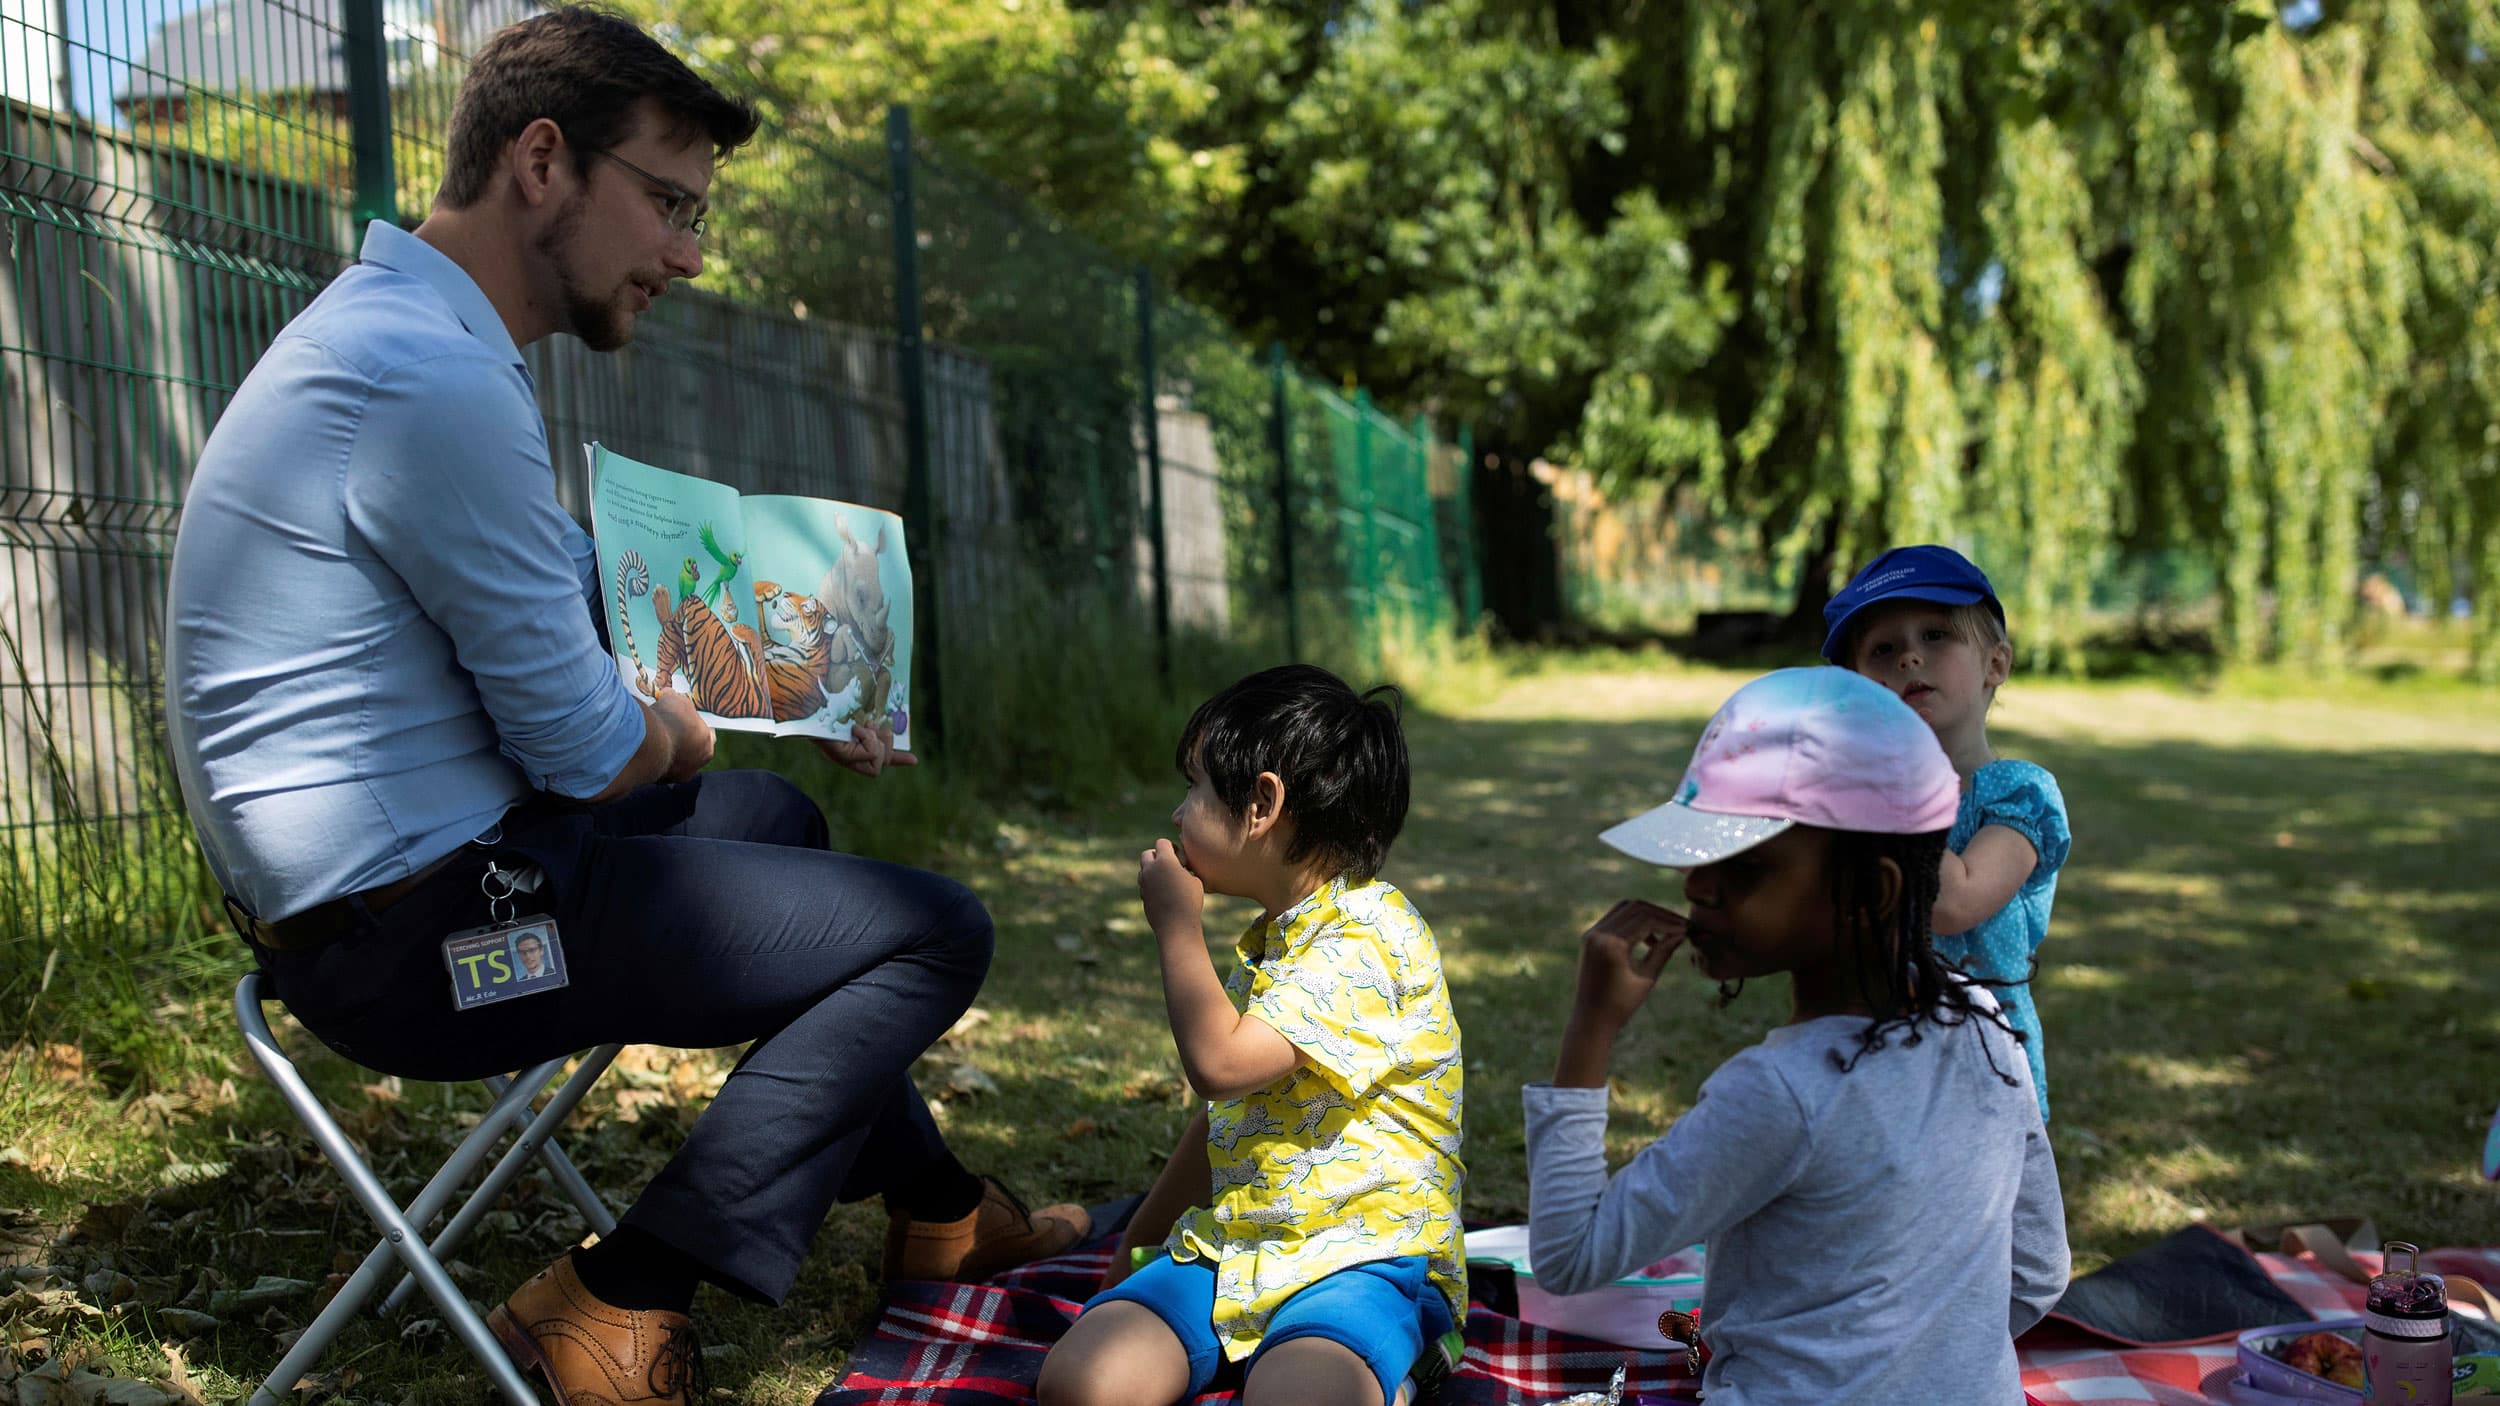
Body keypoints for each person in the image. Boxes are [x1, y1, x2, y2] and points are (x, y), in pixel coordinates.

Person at [161, 9, 1084, 1402]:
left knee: (780, 816)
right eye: (665, 203)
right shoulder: (428, 381)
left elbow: (591, 599)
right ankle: (621, 1292)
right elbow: (597, 751)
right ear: (543, 161)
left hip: (438, 884)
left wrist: (813, 680)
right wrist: (688, 729)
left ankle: (940, 1210)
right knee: (934, 934)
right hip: (426, 949)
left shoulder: (407, 338)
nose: (688, 254)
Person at [1526, 667, 2067, 1403]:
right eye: (1700, 854)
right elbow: (2037, 1273)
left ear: (1874, 893)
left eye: (1744, 867)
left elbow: (1569, 1255)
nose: (1697, 887)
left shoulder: (1782, 1090)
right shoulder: (1987, 1027)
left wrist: (1591, 1028)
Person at [1038, 665, 1464, 1406]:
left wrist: (1176, 925)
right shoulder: (1278, 940)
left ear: (1263, 803)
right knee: (1081, 1385)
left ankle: (1403, 1355)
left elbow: (1220, 1065)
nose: (1179, 811)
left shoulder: (1366, 939)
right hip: (1234, 1247)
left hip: (1364, 1258)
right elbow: (1225, 1122)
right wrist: (1132, 1256)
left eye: (1197, 787)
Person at [1822, 543, 2073, 1118]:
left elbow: (1956, 902)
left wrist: (1896, 786)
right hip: (1876, 1033)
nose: (1909, 658)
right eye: (1882, 650)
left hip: (1983, 1049)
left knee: (1984, 1205)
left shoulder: (2019, 794)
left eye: (1935, 635)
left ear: (1996, 665)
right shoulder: (1858, 796)